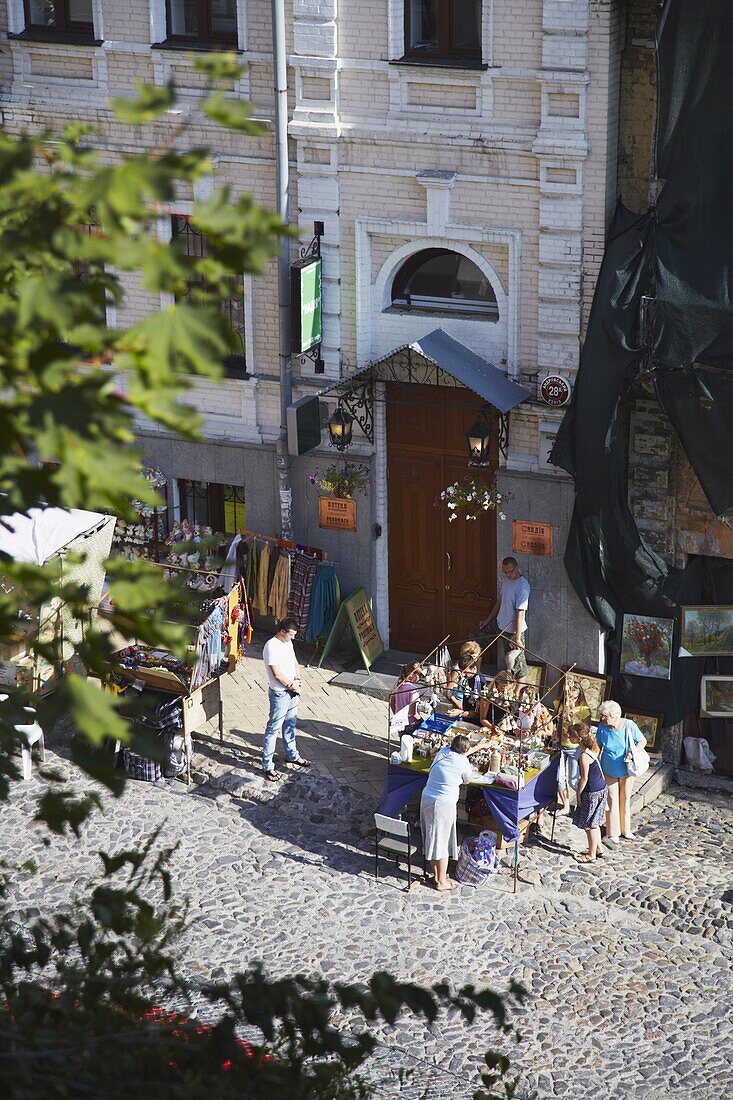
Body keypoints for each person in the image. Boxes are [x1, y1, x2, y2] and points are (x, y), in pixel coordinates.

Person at [420, 733, 491, 890]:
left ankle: (436, 873)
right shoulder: (463, 763)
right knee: (442, 842)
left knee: (432, 839)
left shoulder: (443, 752)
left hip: (427, 798)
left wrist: (480, 746)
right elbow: (467, 779)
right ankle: (441, 881)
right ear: (465, 750)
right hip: (443, 804)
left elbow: (463, 753)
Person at [261, 617, 310, 781]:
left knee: (290, 724)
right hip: (280, 693)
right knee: (273, 728)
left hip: (292, 690)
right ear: (282, 632)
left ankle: (292, 755)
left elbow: (295, 663)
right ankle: (267, 765)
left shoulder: (288, 643)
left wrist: (297, 680)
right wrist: (292, 686)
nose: (292, 638)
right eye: (291, 635)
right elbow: (276, 673)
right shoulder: (271, 646)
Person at [596, 700, 646, 845]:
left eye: (606, 716)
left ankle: (626, 830)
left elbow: (642, 741)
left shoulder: (629, 725)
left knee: (625, 798)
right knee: (611, 799)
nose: (603, 719)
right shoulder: (602, 727)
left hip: (627, 769)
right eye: (602, 716)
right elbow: (598, 745)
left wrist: (633, 752)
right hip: (609, 768)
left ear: (615, 715)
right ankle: (613, 832)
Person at [475, 557, 530, 678]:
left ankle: (516, 693)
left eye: (510, 571)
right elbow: (500, 601)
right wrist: (488, 619)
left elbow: (520, 614)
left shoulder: (522, 586)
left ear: (516, 568)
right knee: (476, 640)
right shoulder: (506, 581)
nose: (508, 574)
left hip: (512, 630)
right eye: (505, 572)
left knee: (515, 664)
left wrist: (517, 637)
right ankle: (476, 673)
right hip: (499, 623)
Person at [572, 727, 608, 862]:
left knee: (590, 824)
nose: (569, 737)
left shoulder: (584, 756)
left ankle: (591, 855)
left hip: (592, 792)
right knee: (595, 822)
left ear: (579, 739)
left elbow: (584, 778)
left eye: (571, 736)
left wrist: (578, 794)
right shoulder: (592, 749)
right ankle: (598, 849)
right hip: (601, 788)